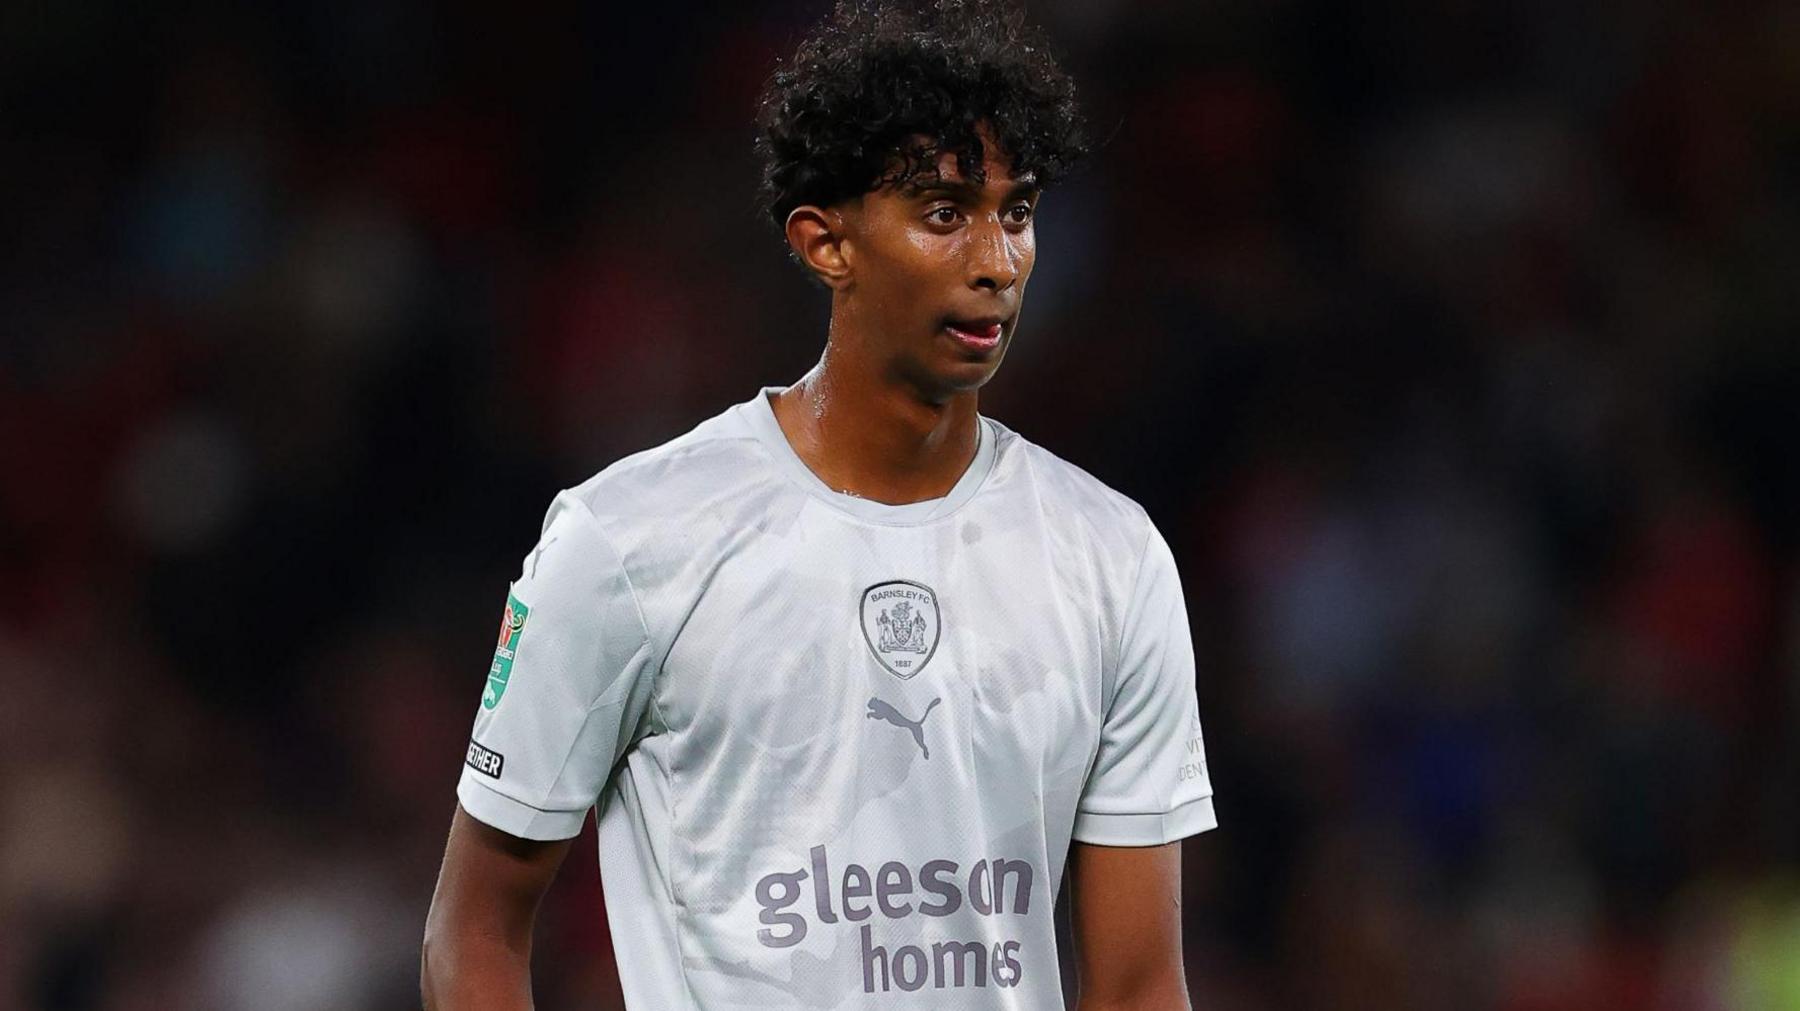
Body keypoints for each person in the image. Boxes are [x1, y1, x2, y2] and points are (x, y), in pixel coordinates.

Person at [421, 1, 1216, 1007]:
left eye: (1015, 213)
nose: (997, 261)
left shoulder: (1112, 556)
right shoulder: (629, 541)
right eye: (944, 212)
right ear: (825, 243)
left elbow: (1142, 983)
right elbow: (475, 930)